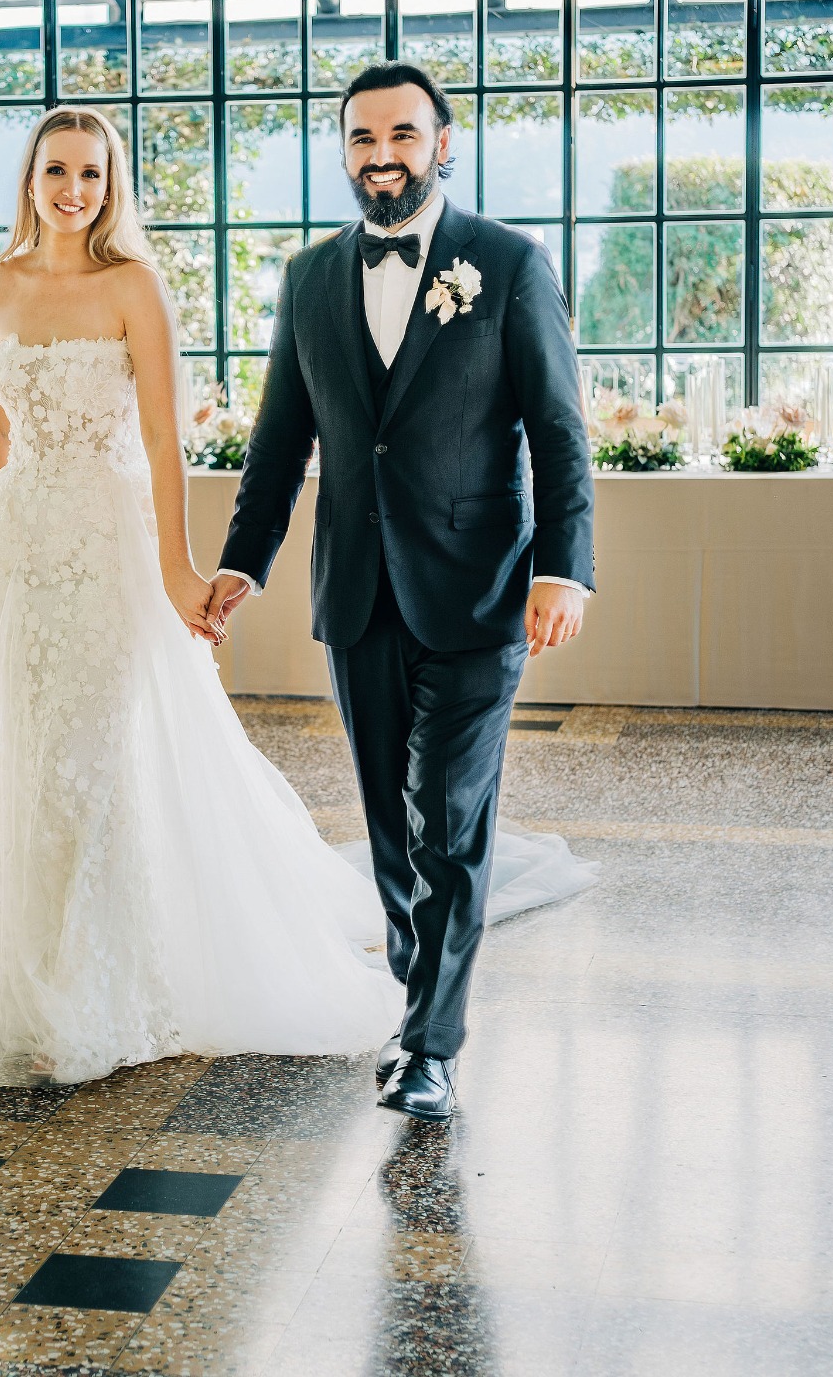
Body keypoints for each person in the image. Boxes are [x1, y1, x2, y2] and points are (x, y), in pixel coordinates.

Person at [0, 99, 594, 1094]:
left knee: (104, 755)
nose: (75, 191)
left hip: (110, 549)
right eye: (58, 172)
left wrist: (180, 569)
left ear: (113, 188)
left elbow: (162, 439)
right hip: (20, 550)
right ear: (30, 181)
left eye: (93, 175)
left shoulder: (135, 287)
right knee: (17, 755)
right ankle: (24, 978)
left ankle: (129, 976)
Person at [208, 61, 597, 1122]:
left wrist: (564, 568)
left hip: (479, 593)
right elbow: (281, 440)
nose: (383, 156)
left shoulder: (510, 265)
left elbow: (559, 431)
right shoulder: (309, 277)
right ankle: (416, 993)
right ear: (344, 151)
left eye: (403, 136)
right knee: (390, 827)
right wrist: (245, 560)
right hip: (358, 595)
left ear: (443, 142)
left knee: (448, 823)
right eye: (362, 139)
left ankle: (431, 1044)